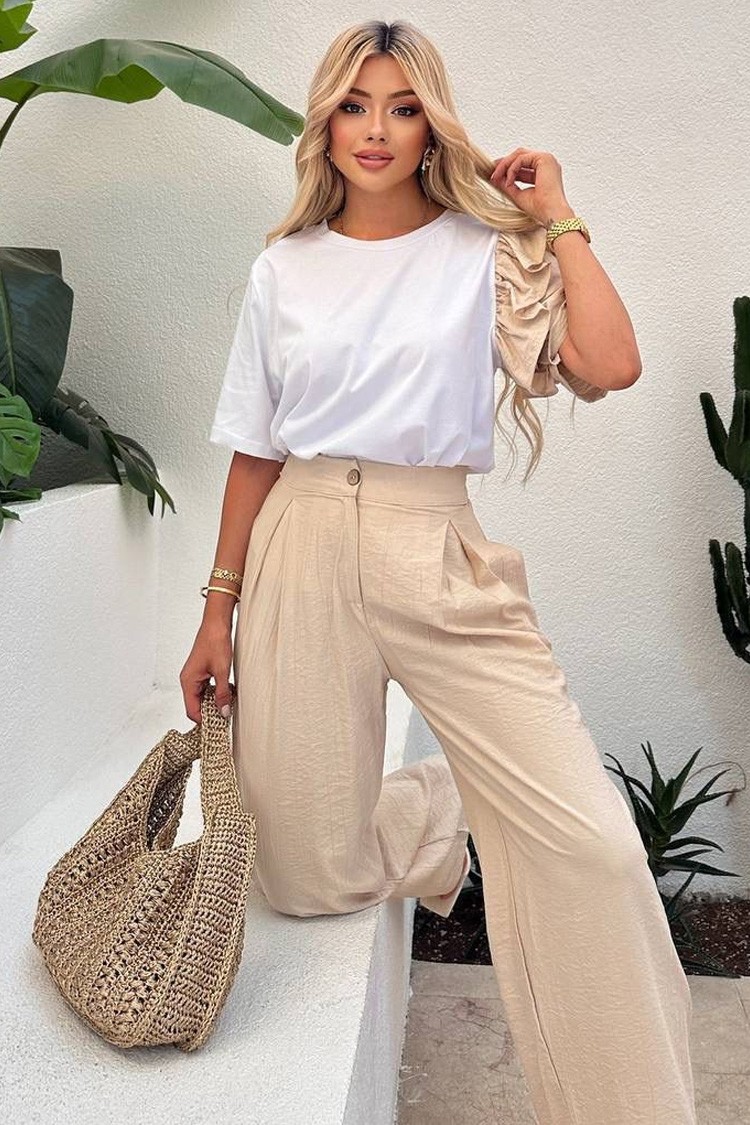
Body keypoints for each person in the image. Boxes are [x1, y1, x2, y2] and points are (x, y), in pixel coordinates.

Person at [180, 19, 696, 1125]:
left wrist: (557, 215)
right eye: (355, 105)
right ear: (326, 123)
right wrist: (216, 611)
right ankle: (439, 803)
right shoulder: (284, 268)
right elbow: (256, 449)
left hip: (434, 541)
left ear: (432, 128)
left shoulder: (483, 251)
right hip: (300, 542)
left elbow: (611, 363)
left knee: (598, 849)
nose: (376, 129)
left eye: (403, 108)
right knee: (302, 877)